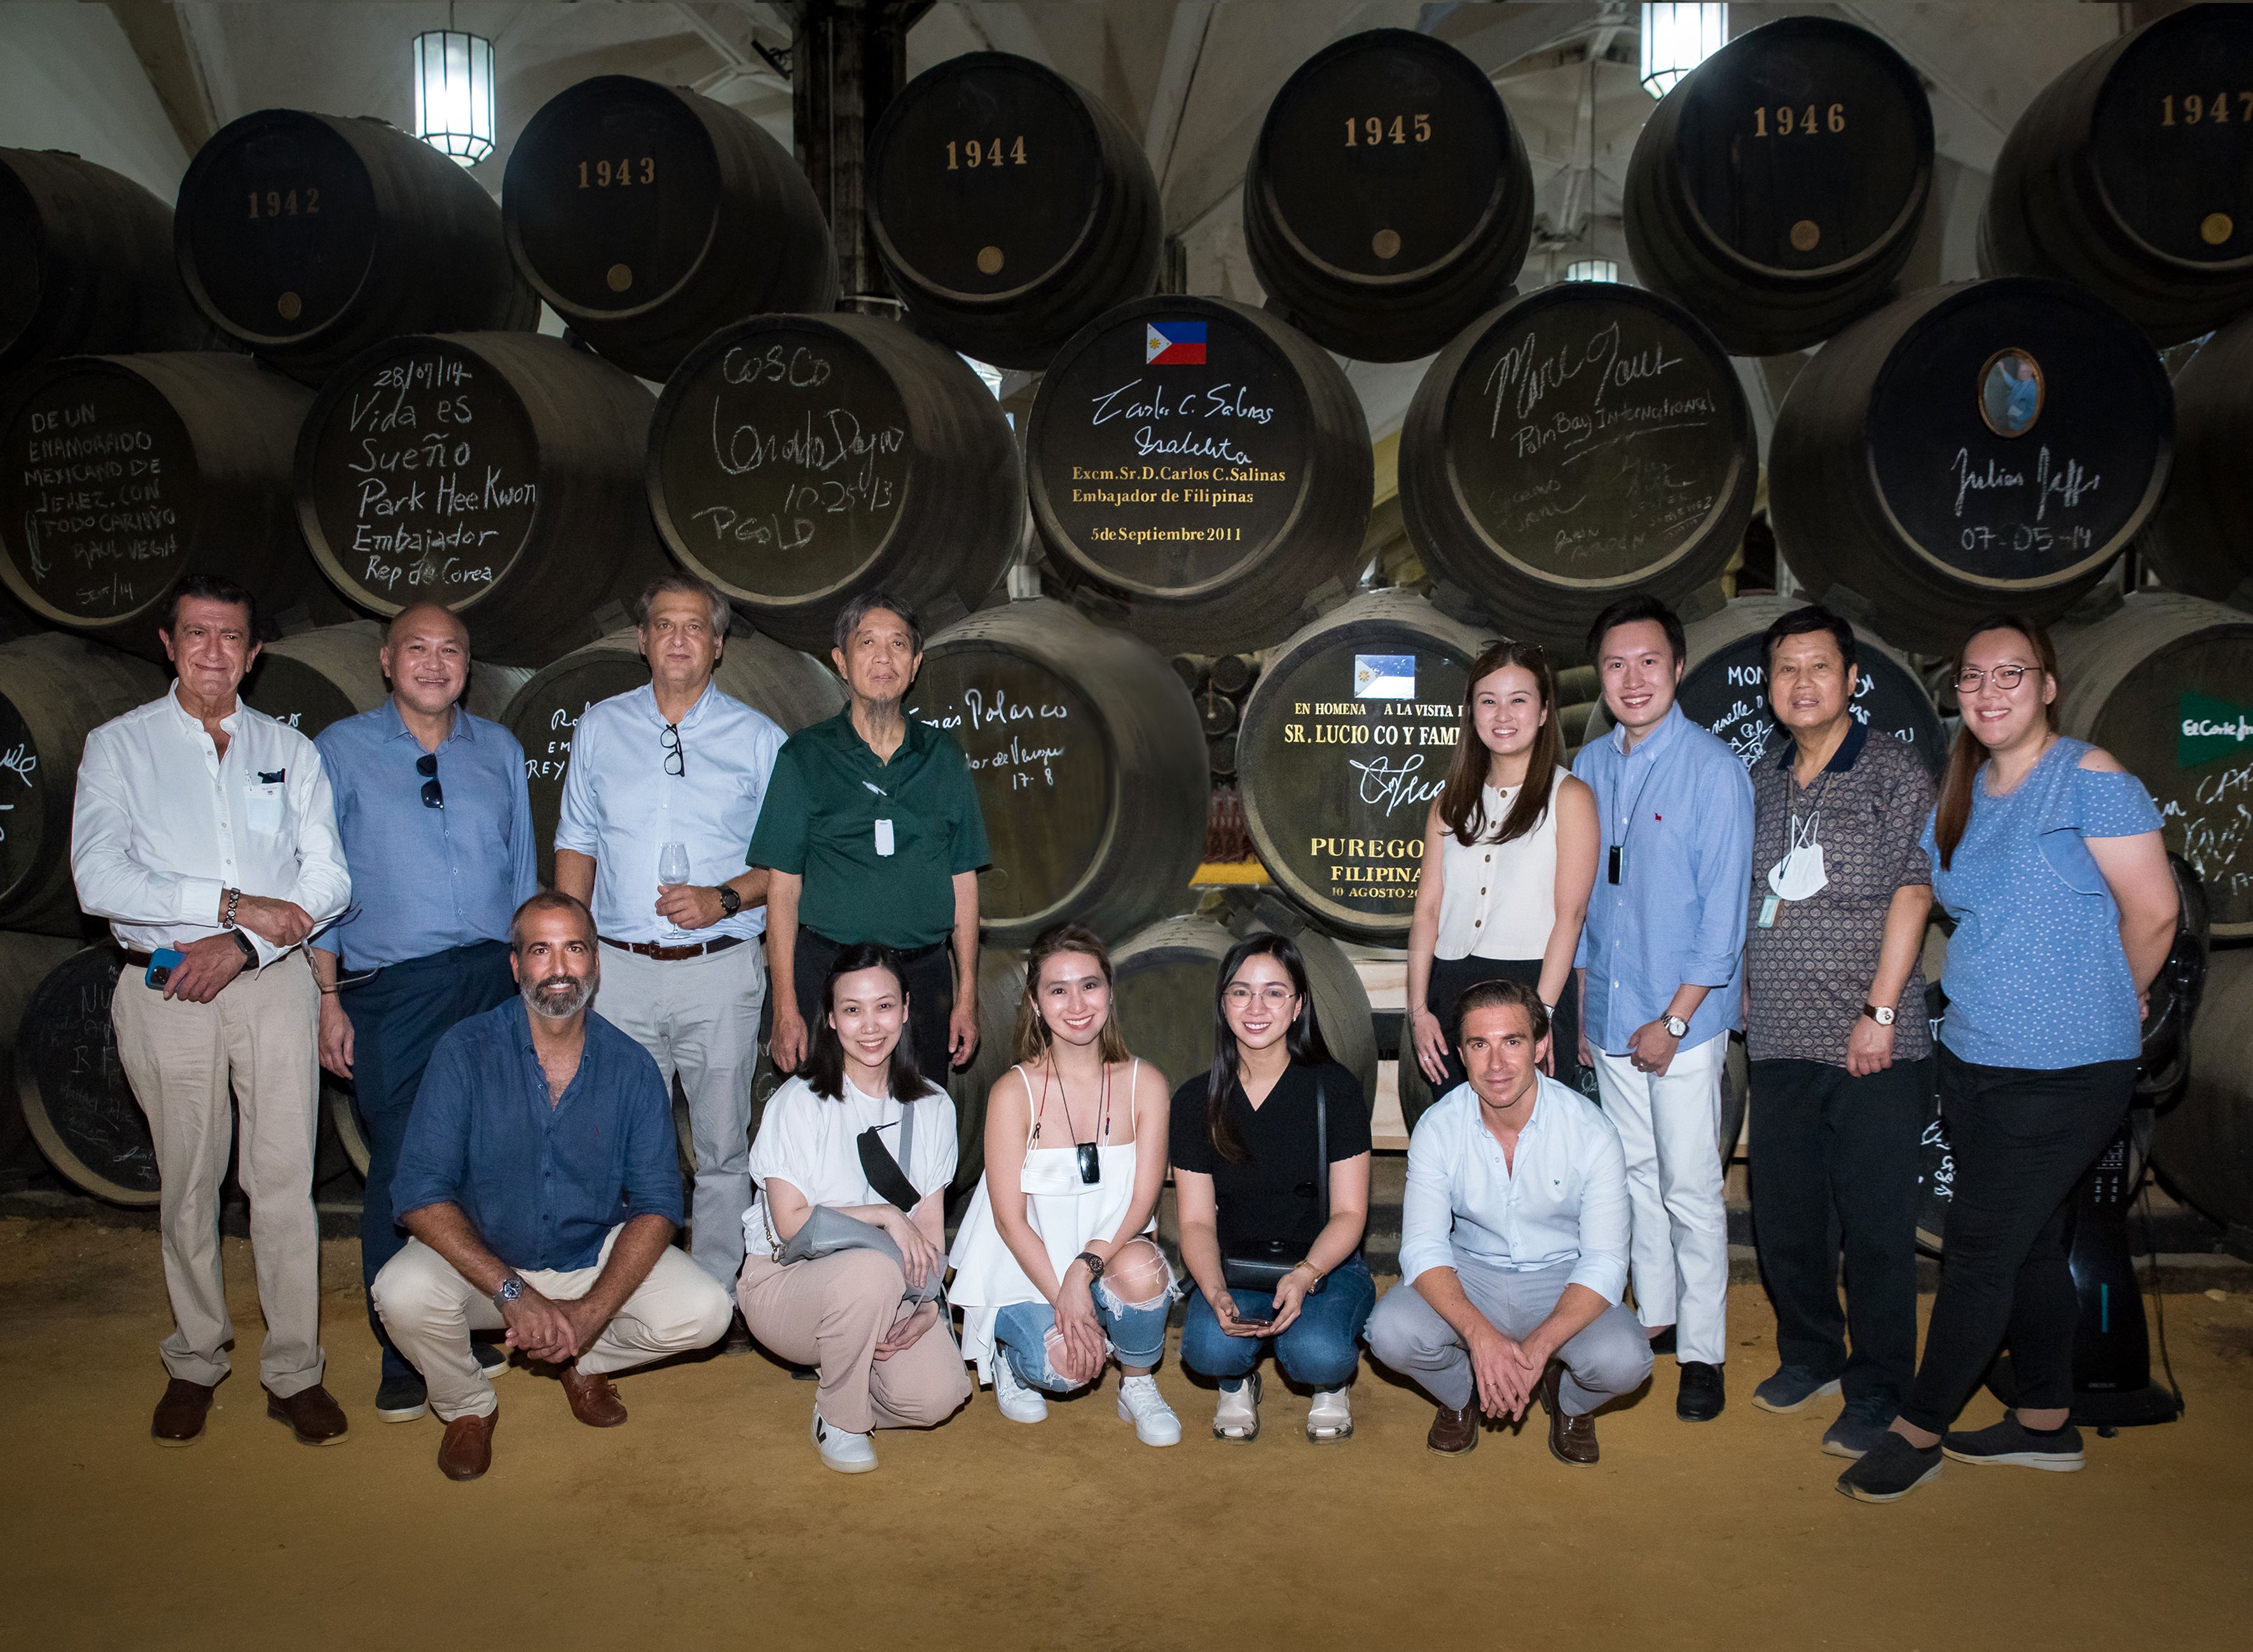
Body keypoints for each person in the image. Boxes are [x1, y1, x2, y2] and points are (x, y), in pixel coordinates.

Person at [1840, 616, 2177, 1503]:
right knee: (2029, 1247)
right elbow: (1931, 896)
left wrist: (2117, 994)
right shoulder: (1965, 789)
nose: (1988, 692)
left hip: (2067, 1068)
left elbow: (2152, 911)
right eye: (1971, 678)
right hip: (1977, 1054)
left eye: (2009, 674)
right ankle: (2043, 1422)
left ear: (2047, 685)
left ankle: (1916, 1428)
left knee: (1979, 1249)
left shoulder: (2088, 777)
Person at [69, 574, 353, 1448]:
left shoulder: (288, 751)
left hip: (270, 985)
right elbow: (99, 881)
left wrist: (245, 946)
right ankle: (196, 1357)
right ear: (169, 642)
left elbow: (328, 879)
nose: (214, 652)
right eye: (197, 634)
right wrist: (230, 903)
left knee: (281, 1185)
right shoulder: (117, 747)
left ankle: (294, 1369)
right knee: (188, 1182)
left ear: (255, 652)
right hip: (162, 982)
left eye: (231, 637)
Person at [373, 892, 734, 1482]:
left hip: (587, 1257)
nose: (560, 968)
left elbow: (658, 1204)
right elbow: (417, 1193)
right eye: (541, 950)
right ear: (516, 966)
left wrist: (591, 1312)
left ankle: (583, 1356)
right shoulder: (465, 1052)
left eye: (575, 949)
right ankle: (467, 1407)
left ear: (596, 962)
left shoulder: (631, 1066)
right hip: (483, 1267)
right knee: (399, 1291)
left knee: (706, 1312)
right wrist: (515, 1293)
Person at [312, 603, 539, 1422]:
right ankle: (403, 1360)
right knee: (408, 1175)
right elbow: (320, 881)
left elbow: (522, 876)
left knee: (485, 1165)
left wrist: (530, 986)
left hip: (490, 978)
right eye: (418, 649)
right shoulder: (339, 751)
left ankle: (467, 1329)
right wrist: (326, 998)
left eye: (451, 651)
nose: (435, 663)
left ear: (468, 667)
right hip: (392, 989)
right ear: (385, 661)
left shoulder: (500, 751)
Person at [553, 574, 784, 1293]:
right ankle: (631, 1284)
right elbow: (577, 842)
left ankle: (716, 1292)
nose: (679, 638)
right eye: (664, 625)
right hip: (619, 970)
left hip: (720, 967)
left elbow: (786, 861)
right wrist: (568, 956)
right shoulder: (600, 728)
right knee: (621, 1138)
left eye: (694, 628)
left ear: (716, 647)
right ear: (643, 641)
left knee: (721, 1148)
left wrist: (724, 899)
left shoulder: (757, 737)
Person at [1741, 607, 1934, 1459]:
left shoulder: (1893, 769)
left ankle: (1879, 1388)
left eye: (1817, 666)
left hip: (1871, 1043)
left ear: (1851, 676)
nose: (1801, 683)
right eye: (1785, 669)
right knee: (1785, 1216)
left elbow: (1912, 890)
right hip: (1778, 1035)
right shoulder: (1762, 775)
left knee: (1875, 1226)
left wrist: (1880, 1009)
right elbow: (1753, 895)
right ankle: (1810, 1353)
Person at [1571, 594, 1753, 1422]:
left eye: (1647, 661)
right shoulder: (1590, 766)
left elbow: (1722, 919)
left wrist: (1673, 1019)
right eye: (1614, 664)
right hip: (1609, 1010)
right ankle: (1654, 1315)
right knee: (1635, 1177)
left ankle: (1705, 1352)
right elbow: (1575, 896)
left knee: (1688, 1187)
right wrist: (1579, 998)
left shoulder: (1712, 770)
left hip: (1679, 1021)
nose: (1631, 678)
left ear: (1677, 668)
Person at [1367, 980, 1650, 1463]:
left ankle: (1568, 1403)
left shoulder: (1591, 1131)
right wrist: (1481, 1339)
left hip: (1562, 1276)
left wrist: (1539, 1348)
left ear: (1540, 1046)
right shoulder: (1438, 1126)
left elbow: (1604, 1260)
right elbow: (1421, 1247)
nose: (1495, 1065)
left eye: (1512, 1042)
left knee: (1626, 1362)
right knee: (1388, 1332)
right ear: (1461, 1053)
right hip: (1471, 1271)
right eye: (1479, 1045)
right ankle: (1463, 1398)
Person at [739, 943, 973, 1473]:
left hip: (888, 1287)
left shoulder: (933, 1105)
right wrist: (885, 1215)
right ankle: (840, 1417)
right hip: (785, 1283)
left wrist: (926, 1305)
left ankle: (856, 1355)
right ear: (830, 1018)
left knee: (938, 1397)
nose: (870, 1025)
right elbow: (790, 1225)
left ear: (907, 1009)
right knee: (869, 1272)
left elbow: (931, 1232)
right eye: (852, 1009)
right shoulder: (796, 1104)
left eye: (884, 1006)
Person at [948, 924, 1180, 1447]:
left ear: (1110, 992)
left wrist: (1084, 1270)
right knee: (1068, 1371)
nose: (1076, 1004)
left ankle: (1137, 1385)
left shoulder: (1146, 1083)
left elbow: (1144, 1200)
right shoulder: (1014, 1091)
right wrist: (1066, 1298)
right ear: (1034, 1002)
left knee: (1145, 1271)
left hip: (1102, 1257)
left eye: (1089, 985)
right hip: (1024, 1267)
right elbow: (1009, 1221)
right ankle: (1009, 1353)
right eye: (1057, 989)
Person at [751, 592, 988, 1083]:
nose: (883, 657)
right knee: (824, 1129)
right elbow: (782, 888)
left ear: (915, 663)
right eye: (867, 643)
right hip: (827, 976)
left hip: (923, 979)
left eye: (898, 644)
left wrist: (966, 996)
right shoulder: (803, 757)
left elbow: (962, 882)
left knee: (919, 1129)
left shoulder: (942, 757)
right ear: (840, 661)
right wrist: (785, 1007)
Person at [1173, 933, 1375, 1444]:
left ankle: (1329, 1386)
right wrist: (1214, 1289)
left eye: (1274, 992)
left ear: (1299, 1003)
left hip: (1322, 1263)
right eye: (1240, 992)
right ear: (1223, 1003)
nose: (1256, 1007)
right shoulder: (1197, 1099)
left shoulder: (1335, 1089)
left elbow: (1350, 1213)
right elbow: (1196, 1221)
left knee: (1317, 1355)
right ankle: (1235, 1381)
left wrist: (1306, 1274)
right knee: (1207, 1349)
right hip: (1237, 1264)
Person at [1407, 638, 1597, 1098]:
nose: (1502, 715)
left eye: (1518, 700)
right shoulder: (1447, 803)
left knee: (1535, 1148)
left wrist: (1544, 1015)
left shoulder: (1569, 797)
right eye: (1487, 701)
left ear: (1545, 710)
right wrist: (1417, 1010)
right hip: (1449, 989)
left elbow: (1570, 917)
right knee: (1459, 1139)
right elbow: (1427, 911)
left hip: (1534, 988)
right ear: (1471, 712)